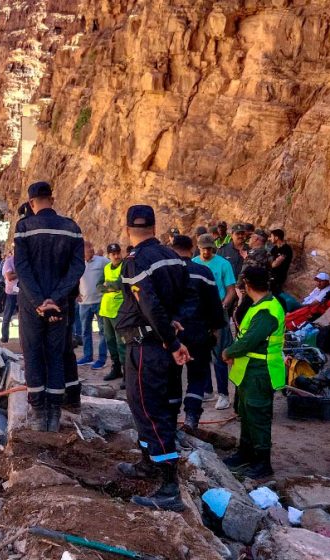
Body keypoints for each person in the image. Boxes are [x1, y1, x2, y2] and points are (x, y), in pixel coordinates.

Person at [115, 205, 190, 512]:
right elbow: (185, 297)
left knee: (149, 409)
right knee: (158, 407)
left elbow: (148, 303)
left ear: (127, 227)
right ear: (155, 226)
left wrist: (171, 341)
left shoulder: (135, 261)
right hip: (163, 344)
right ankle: (149, 463)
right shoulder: (174, 256)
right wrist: (175, 332)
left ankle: (170, 488)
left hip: (148, 347)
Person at [14, 181, 85, 432]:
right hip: (60, 305)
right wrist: (56, 298)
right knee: (56, 354)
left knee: (33, 352)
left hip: (32, 304)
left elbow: (22, 268)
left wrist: (38, 301)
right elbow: (77, 268)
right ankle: (54, 413)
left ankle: (38, 412)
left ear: (32, 203)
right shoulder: (72, 229)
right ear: (52, 200)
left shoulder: (24, 228)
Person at [221, 266, 285, 479]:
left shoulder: (267, 310)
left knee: (258, 415)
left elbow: (250, 340)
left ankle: (262, 462)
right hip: (249, 370)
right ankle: (245, 453)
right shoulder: (260, 305)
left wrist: (229, 351)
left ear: (247, 285)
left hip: (261, 372)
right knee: (247, 413)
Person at [171, 236, 226, 430]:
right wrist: (216, 328)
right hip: (198, 333)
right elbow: (215, 305)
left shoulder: (167, 271)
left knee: (172, 376)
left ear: (172, 248)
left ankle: (171, 417)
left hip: (172, 334)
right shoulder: (203, 271)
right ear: (193, 248)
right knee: (197, 376)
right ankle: (191, 418)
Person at [193, 233, 237, 410]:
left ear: (214, 248)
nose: (206, 251)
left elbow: (231, 290)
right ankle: (207, 390)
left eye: (209, 248)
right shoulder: (194, 263)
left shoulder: (223, 264)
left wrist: (223, 305)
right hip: (198, 315)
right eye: (204, 248)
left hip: (217, 313)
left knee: (219, 355)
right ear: (199, 247)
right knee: (201, 353)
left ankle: (224, 394)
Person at [77, 242, 109, 369]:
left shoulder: (102, 261)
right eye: (86, 251)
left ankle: (102, 358)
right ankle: (87, 356)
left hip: (100, 302)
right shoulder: (78, 263)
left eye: (90, 250)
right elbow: (74, 278)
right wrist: (76, 293)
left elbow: (114, 269)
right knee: (85, 331)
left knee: (103, 331)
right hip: (84, 303)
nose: (89, 253)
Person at [99, 244, 125, 383]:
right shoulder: (106, 268)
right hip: (106, 310)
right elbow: (98, 286)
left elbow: (120, 284)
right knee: (110, 341)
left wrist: (108, 285)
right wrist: (110, 286)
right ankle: (116, 369)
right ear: (108, 255)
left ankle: (128, 373)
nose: (116, 256)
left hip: (120, 310)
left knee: (122, 343)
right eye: (113, 254)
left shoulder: (125, 266)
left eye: (118, 253)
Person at [0, 248, 19, 343]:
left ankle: (23, 340)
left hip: (23, 293)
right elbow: (9, 277)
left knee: (24, 318)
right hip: (11, 293)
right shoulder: (9, 262)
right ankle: (4, 338)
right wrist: (22, 273)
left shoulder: (24, 260)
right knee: (7, 316)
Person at [269, 229, 293, 294]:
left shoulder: (286, 248)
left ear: (276, 237)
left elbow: (274, 264)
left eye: (271, 236)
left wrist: (270, 263)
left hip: (278, 277)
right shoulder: (274, 249)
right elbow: (269, 261)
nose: (269, 238)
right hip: (270, 275)